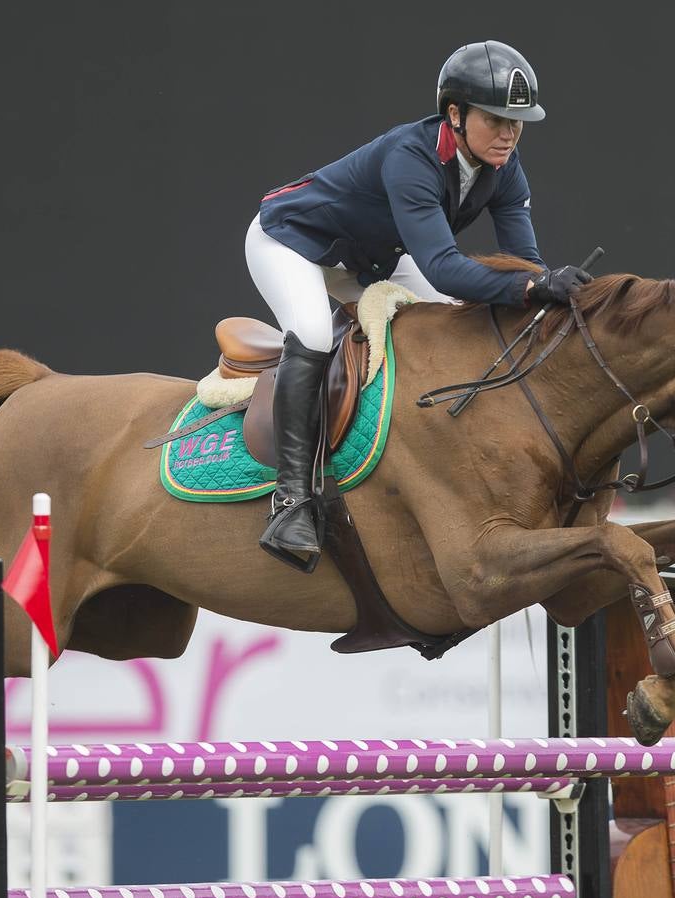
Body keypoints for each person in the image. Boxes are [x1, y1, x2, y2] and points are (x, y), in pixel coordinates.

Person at [246, 39, 593, 570]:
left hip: (368, 259)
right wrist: (531, 287)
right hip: (290, 241)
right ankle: (291, 499)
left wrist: (549, 285)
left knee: (451, 323)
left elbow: (523, 262)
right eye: (497, 119)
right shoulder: (412, 156)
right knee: (314, 334)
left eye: (518, 122)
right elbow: (444, 267)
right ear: (454, 113)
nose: (509, 133)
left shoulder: (505, 167)